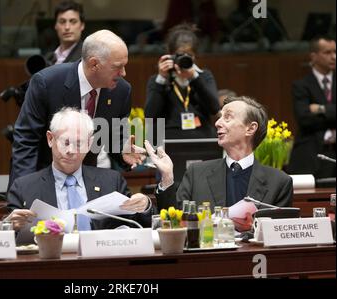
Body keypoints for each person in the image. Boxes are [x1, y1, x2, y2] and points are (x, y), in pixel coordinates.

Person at [10, 29, 146, 189]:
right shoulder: (47, 83)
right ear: (94, 64)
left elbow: (113, 137)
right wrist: (24, 191)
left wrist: (123, 152)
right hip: (45, 181)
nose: (123, 73)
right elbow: (26, 141)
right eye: (118, 67)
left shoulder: (121, 91)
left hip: (87, 184)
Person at [145, 96, 293, 232]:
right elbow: (173, 223)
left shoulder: (279, 182)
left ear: (250, 128)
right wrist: (167, 177)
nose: (217, 123)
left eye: (227, 117)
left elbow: (280, 236)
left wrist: (253, 228)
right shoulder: (196, 173)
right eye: (219, 117)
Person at [8, 108, 152, 232]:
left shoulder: (111, 182)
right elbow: (10, 234)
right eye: (65, 142)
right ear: (50, 139)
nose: (70, 151)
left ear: (90, 143)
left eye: (78, 143)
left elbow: (137, 224)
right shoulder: (24, 188)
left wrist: (144, 205)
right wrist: (10, 225)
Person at [144, 23, 220, 144]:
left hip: (201, 139)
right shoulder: (157, 80)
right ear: (170, 54)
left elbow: (214, 108)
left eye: (189, 55)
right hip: (167, 141)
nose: (184, 59)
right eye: (179, 55)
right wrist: (162, 79)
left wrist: (194, 78)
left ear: (195, 56)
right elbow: (150, 115)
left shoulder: (204, 76)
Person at [288, 36, 336, 179]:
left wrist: (320, 109)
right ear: (314, 56)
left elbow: (312, 117)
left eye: (335, 52)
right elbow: (304, 119)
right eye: (327, 53)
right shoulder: (301, 85)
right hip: (312, 153)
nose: (334, 57)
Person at [45, 0, 84, 65]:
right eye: (62, 21)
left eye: (73, 21)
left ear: (82, 25)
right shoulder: (48, 57)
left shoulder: (87, 57)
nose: (67, 27)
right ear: (55, 25)